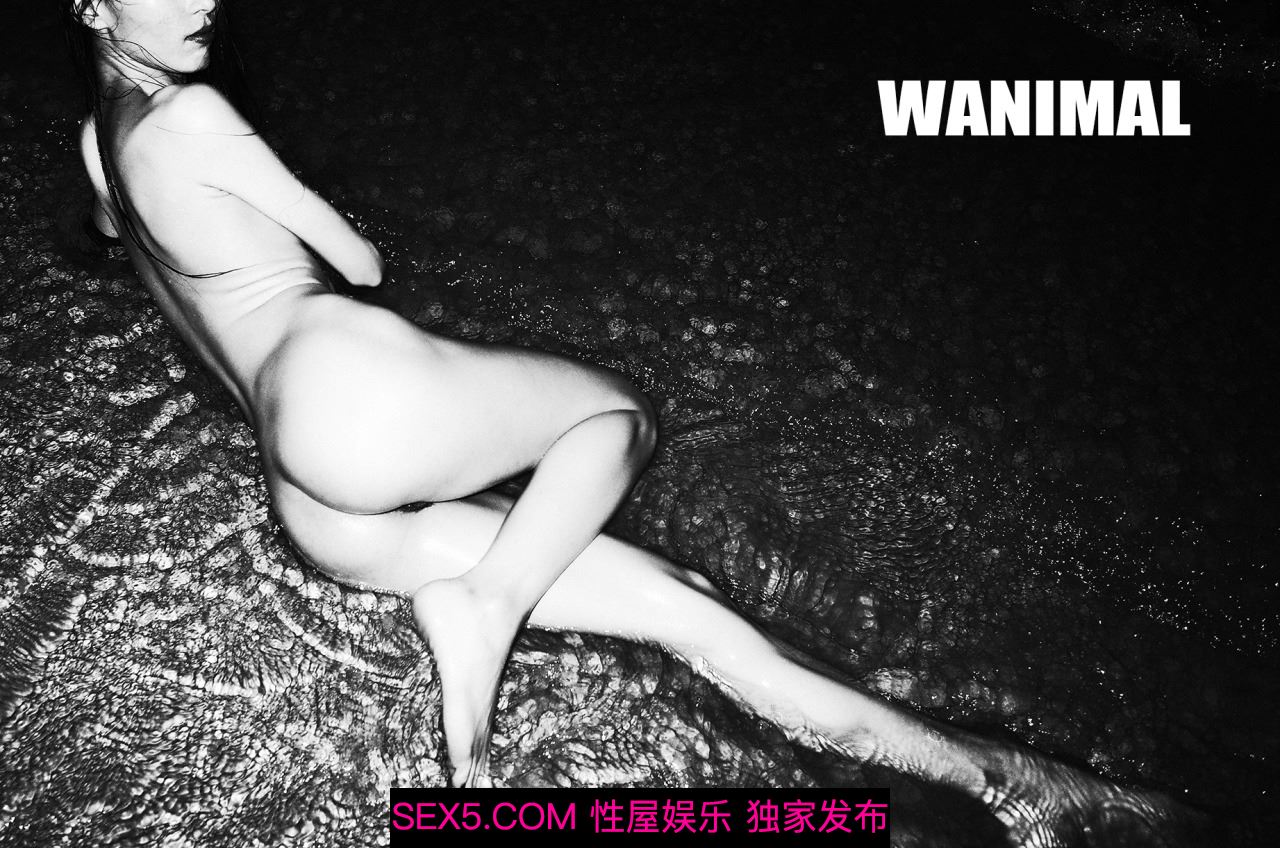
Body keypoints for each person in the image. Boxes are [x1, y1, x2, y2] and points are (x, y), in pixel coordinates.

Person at [63, 1, 1198, 844]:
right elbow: (354, 261)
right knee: (616, 419)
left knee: (687, 606)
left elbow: (128, 236)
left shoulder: (98, 138)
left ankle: (1004, 785)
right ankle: (487, 606)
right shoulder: (197, 114)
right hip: (349, 393)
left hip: (307, 490)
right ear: (92, 4)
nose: (201, 0)